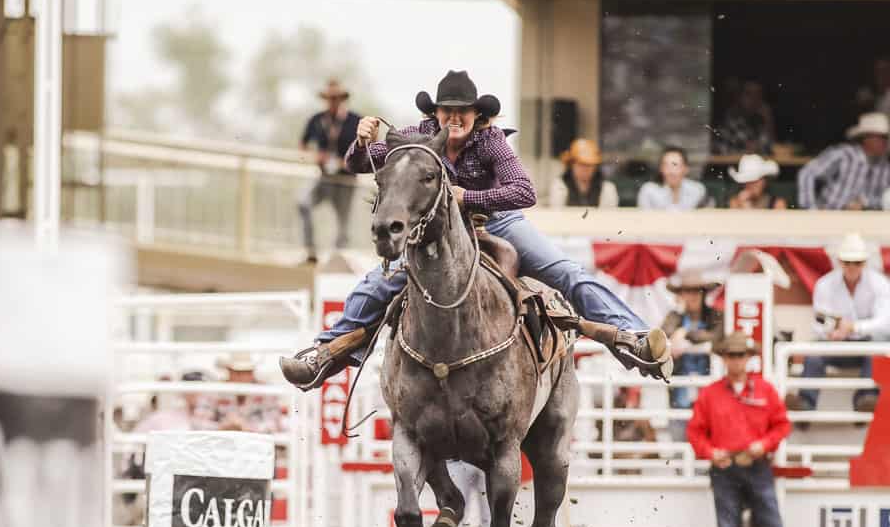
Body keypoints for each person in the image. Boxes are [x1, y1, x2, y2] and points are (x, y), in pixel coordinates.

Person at [279, 69, 672, 389]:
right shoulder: (416, 139)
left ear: (476, 114)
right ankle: (326, 353)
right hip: (439, 235)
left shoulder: (491, 142)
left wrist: (468, 199)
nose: (454, 117)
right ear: (434, 113)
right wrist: (359, 142)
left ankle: (633, 337)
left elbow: (524, 191)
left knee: (566, 273)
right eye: (446, 109)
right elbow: (361, 163)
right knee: (376, 284)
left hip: (499, 225)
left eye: (462, 110)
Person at [687, 332, 791, 527]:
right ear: (724, 359)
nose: (736, 361)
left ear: (749, 358)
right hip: (726, 467)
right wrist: (711, 452)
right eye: (731, 356)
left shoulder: (765, 390)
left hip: (756, 466)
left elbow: (781, 425)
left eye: (740, 355)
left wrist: (764, 444)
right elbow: (695, 433)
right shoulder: (711, 394)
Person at [784, 234, 890, 414]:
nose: (851, 267)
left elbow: (885, 323)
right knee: (814, 353)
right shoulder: (825, 284)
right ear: (840, 262)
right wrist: (833, 332)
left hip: (867, 347)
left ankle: (867, 398)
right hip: (836, 344)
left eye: (856, 263)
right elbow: (819, 324)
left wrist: (854, 328)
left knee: (878, 345)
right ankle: (805, 402)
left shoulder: (879, 284)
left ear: (864, 263)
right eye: (847, 262)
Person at [298, 79, 361, 264]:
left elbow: (367, 148)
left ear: (342, 99)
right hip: (324, 177)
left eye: (336, 98)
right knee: (303, 202)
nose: (333, 101)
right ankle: (310, 250)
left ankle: (337, 261)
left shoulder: (354, 121)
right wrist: (316, 156)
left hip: (346, 180)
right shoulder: (317, 120)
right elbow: (303, 145)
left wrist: (347, 161)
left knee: (343, 224)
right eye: (330, 98)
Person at [661, 270, 725, 417]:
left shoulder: (715, 315)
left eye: (697, 291)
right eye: (688, 292)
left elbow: (715, 336)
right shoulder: (674, 316)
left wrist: (685, 332)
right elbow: (665, 335)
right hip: (679, 390)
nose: (693, 296)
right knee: (679, 430)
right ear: (681, 295)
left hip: (709, 388)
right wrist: (681, 314)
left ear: (703, 294)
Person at [797, 113, 890, 211]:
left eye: (886, 138)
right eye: (881, 137)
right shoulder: (844, 155)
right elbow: (807, 173)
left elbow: (885, 199)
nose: (885, 142)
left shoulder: (885, 166)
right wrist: (811, 208)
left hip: (862, 221)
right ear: (866, 138)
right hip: (828, 215)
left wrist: (865, 202)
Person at [548, 138, 619, 208]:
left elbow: (608, 216)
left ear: (595, 167)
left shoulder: (607, 188)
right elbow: (557, 214)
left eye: (589, 165)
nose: (585, 169)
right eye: (581, 164)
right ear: (571, 165)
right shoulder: (559, 186)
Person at [637, 146, 708, 211]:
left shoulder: (697, 190)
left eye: (675, 165)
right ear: (661, 168)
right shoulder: (648, 191)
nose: (671, 171)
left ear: (686, 168)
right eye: (666, 165)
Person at [714, 80, 775, 155]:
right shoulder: (729, 122)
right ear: (739, 97)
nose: (754, 99)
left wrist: (768, 121)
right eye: (749, 94)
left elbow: (770, 150)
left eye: (758, 94)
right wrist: (746, 152)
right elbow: (719, 151)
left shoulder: (761, 123)